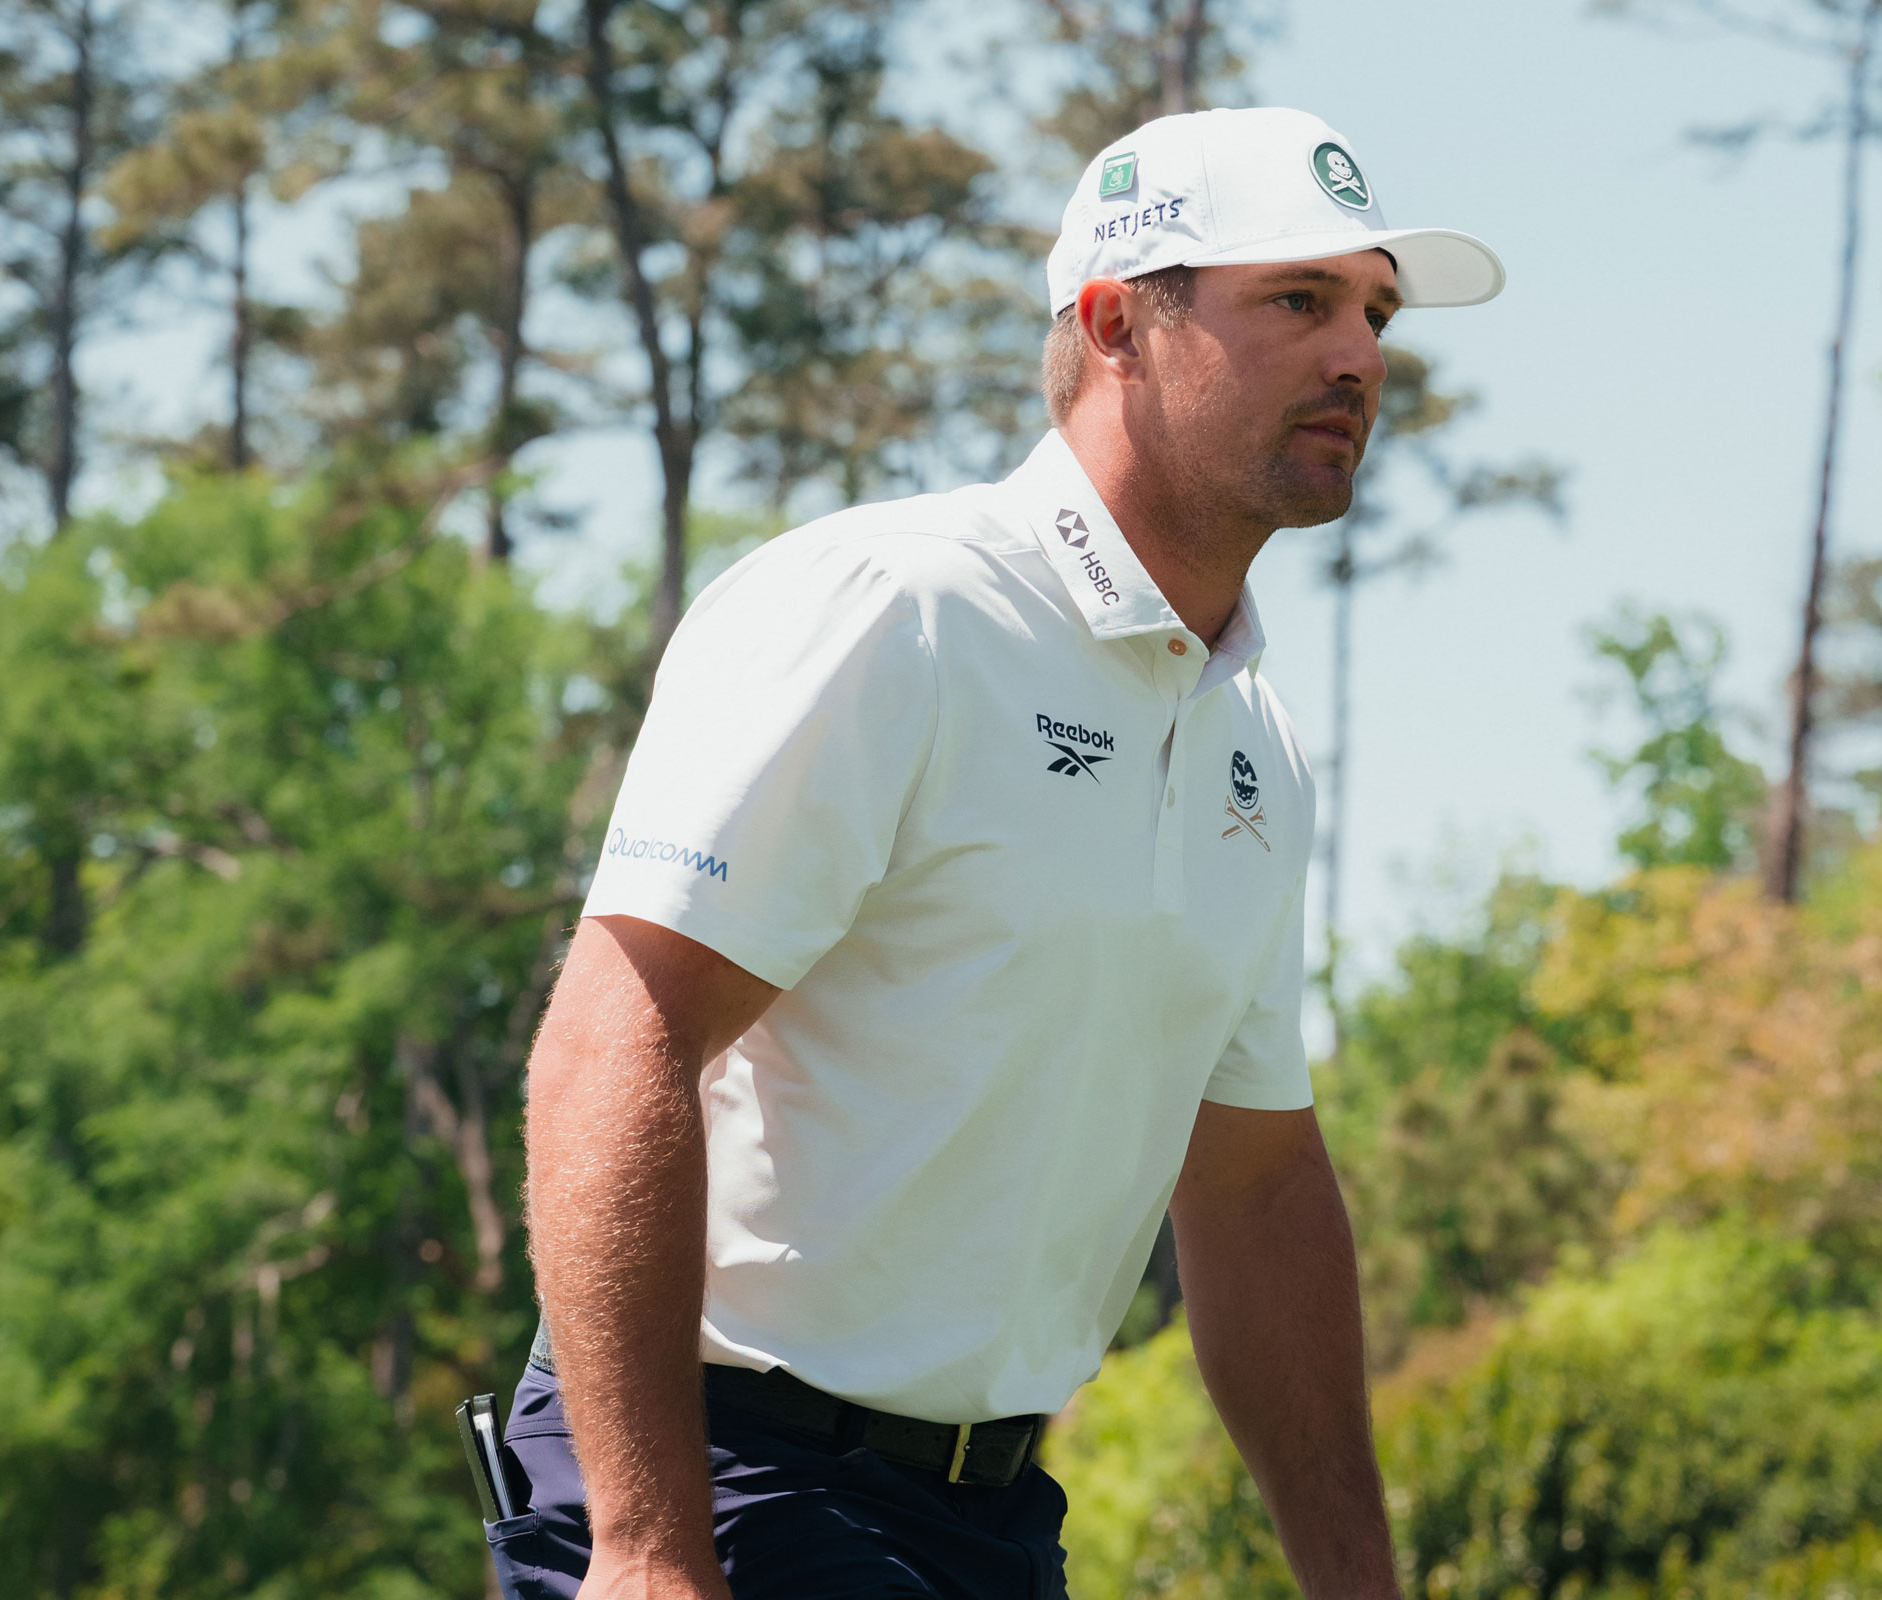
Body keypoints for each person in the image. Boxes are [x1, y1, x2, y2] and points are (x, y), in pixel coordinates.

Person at [504, 106, 1505, 1600]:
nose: (1359, 356)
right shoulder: (891, 610)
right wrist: (648, 1550)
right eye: (1298, 301)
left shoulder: (1254, 736)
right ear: (1116, 327)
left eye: (1376, 312)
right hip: (727, 1479)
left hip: (993, 1521)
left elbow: (1254, 1188)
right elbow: (615, 1041)